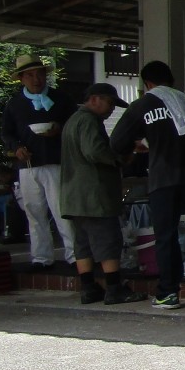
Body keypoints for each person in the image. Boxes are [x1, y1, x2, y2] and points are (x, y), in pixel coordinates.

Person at [110, 60, 185, 310]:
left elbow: (117, 142)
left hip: (164, 178)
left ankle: (169, 292)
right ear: (171, 80)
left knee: (165, 236)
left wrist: (143, 144)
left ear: (147, 83)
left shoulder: (142, 105)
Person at [59, 83, 145, 305]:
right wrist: (118, 159)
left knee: (83, 243)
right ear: (94, 99)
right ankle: (114, 288)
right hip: (94, 194)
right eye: (109, 102)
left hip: (74, 196)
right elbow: (94, 151)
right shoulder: (89, 120)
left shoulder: (73, 120)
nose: (111, 109)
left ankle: (88, 287)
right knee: (107, 240)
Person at [0, 53, 76, 269]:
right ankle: (41, 257)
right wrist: (16, 148)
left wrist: (59, 129)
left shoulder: (61, 99)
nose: (36, 79)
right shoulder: (15, 104)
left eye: (39, 74)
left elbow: (75, 124)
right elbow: (6, 133)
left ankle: (74, 255)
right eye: (30, 75)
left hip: (56, 162)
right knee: (34, 213)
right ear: (21, 78)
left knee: (63, 212)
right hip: (28, 165)